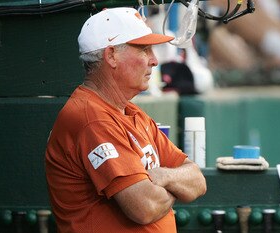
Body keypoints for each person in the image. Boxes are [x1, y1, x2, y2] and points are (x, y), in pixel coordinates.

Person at [45, 7, 207, 233]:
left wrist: (162, 176)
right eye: (143, 49)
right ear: (111, 55)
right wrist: (175, 186)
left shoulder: (132, 113)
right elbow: (145, 206)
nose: (154, 61)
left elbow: (197, 180)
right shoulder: (91, 117)